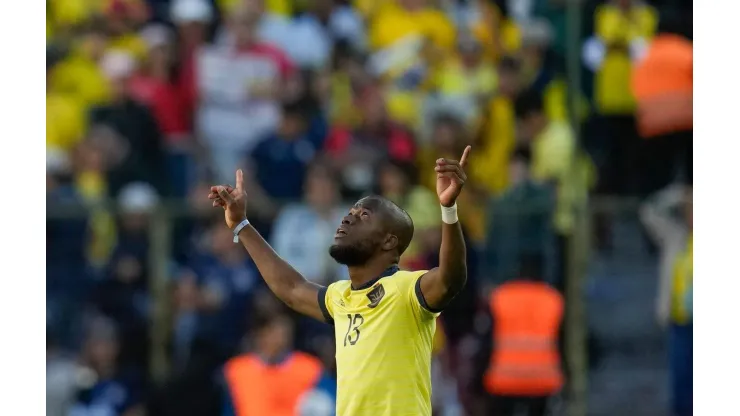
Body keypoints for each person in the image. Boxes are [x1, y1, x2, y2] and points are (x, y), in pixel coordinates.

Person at [207, 145, 473, 416]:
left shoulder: (406, 289)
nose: (348, 217)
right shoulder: (340, 296)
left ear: (389, 241)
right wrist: (241, 224)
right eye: (351, 212)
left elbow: (451, 278)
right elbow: (290, 288)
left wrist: (448, 210)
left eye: (364, 216)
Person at [478, 254, 564, 416]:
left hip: (504, 379)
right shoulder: (553, 299)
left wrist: (479, 375)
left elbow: (487, 341)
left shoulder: (500, 297)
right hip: (542, 379)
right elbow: (561, 341)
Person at [639, 184, 693, 416]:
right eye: (689, 210)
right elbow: (648, 211)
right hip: (680, 322)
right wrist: (676, 194)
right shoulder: (675, 237)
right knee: (681, 382)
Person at [221, 314, 336, 416]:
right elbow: (228, 408)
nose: (281, 339)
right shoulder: (237, 370)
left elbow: (329, 403)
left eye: (285, 334)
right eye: (274, 333)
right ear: (261, 335)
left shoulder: (309, 367)